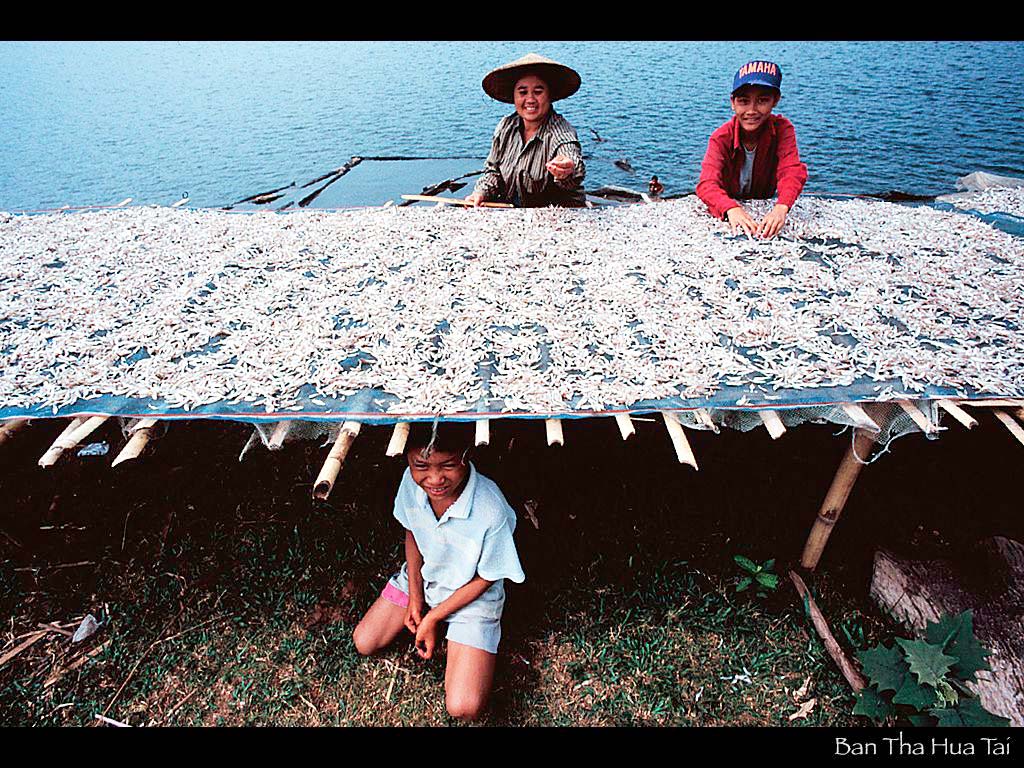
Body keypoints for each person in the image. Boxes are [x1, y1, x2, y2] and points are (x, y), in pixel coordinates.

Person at [352, 421, 525, 722]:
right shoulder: (410, 482)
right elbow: (412, 533)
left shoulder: (490, 508)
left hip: (473, 599)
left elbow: (487, 576)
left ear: (466, 455)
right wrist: (415, 598)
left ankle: (455, 627)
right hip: (423, 577)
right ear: (407, 459)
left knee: (463, 707)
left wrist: (432, 617)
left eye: (447, 465)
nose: (434, 479)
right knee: (365, 641)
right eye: (421, 465)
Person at [696, 60, 808, 239]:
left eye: (762, 101)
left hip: (764, 205)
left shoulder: (783, 129)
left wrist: (781, 207)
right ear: (733, 102)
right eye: (743, 101)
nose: (751, 110)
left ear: (775, 101)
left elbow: (791, 171)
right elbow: (707, 184)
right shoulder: (720, 137)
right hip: (730, 206)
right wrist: (731, 208)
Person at [465, 53, 586, 208]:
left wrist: (566, 169)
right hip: (515, 209)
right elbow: (493, 171)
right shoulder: (505, 126)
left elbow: (571, 157)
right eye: (523, 92)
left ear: (549, 95)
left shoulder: (561, 131)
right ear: (514, 97)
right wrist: (480, 193)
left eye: (538, 92)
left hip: (557, 212)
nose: (530, 100)